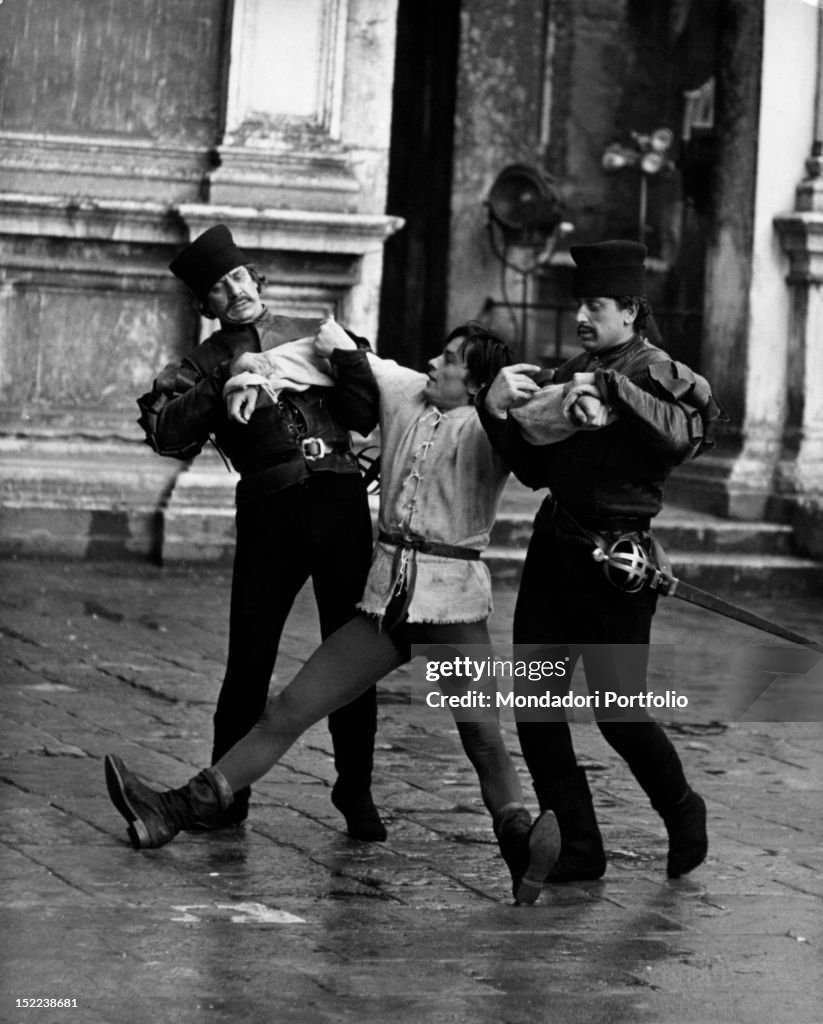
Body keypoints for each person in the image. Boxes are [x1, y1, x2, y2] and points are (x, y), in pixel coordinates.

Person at [105, 319, 601, 903]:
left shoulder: (498, 425)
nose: (434, 364)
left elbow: (553, 415)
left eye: (449, 361)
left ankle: (521, 848)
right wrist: (250, 371)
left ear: (476, 383)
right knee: (286, 711)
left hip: (454, 608)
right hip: (385, 606)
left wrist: (573, 400)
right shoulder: (404, 389)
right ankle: (173, 811)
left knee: (485, 742)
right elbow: (324, 348)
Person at [477, 240, 723, 885]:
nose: (583, 317)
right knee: (536, 704)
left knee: (618, 707)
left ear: (632, 311)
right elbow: (534, 470)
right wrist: (494, 412)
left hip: (621, 559)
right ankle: (579, 850)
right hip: (555, 547)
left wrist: (614, 387)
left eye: (596, 305)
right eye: (579, 304)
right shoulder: (570, 374)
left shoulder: (662, 373)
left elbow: (678, 438)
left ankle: (682, 809)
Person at [135, 224, 385, 841]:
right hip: (270, 515)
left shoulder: (314, 335)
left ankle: (355, 788)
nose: (235, 291)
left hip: (340, 501)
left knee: (350, 652)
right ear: (206, 307)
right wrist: (227, 380)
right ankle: (228, 797)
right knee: (249, 660)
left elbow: (366, 409)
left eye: (240, 277)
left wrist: (345, 360)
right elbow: (167, 433)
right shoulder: (198, 367)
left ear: (258, 280)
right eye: (219, 289)